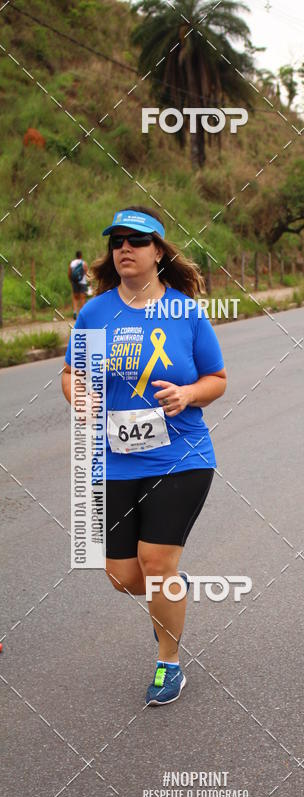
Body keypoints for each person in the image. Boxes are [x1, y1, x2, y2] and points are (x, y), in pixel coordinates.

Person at [61, 206, 227, 703]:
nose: (125, 248)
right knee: (122, 576)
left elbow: (217, 379)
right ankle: (169, 584)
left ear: (158, 250)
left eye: (137, 240)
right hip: (111, 459)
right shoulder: (95, 312)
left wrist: (188, 394)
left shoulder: (186, 312)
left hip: (180, 456)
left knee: (155, 563)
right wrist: (79, 395)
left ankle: (168, 663)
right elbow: (72, 373)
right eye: (118, 242)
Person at [68, 250, 89, 319]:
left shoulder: (72, 263)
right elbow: (87, 274)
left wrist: (71, 281)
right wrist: (90, 283)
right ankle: (82, 314)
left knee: (75, 298)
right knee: (82, 298)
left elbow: (69, 274)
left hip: (75, 282)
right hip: (82, 283)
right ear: (81, 255)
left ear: (76, 256)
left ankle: (75, 312)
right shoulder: (84, 263)